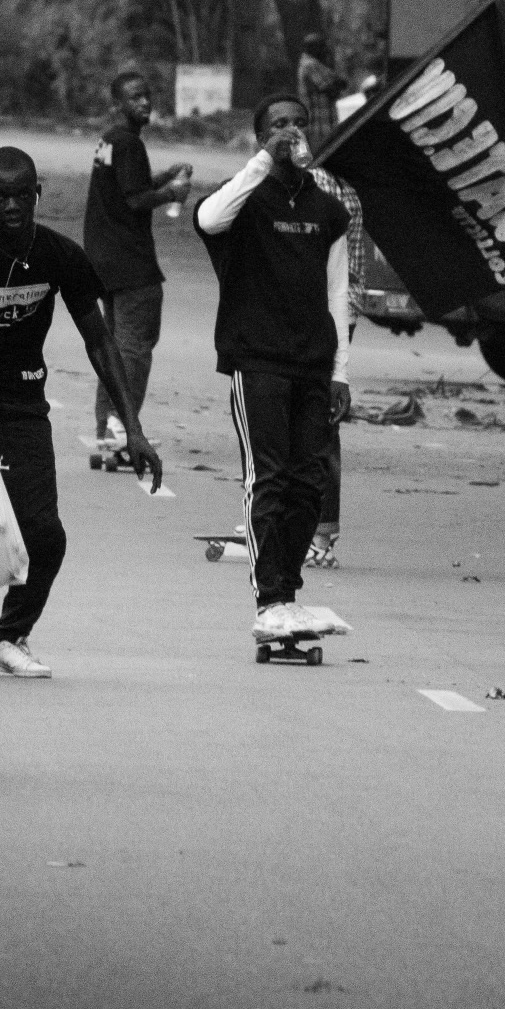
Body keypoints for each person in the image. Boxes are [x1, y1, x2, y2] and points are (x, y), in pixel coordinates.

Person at [0, 148, 164, 677]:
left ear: (37, 193)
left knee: (44, 532)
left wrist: (133, 428)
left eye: (19, 194)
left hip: (25, 404)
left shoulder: (60, 255)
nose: (9, 205)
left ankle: (12, 637)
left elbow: (99, 341)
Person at [194, 93, 350, 642]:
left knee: (310, 484)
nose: (291, 132)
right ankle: (269, 600)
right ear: (261, 137)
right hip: (257, 359)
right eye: (278, 124)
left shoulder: (327, 209)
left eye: (299, 124)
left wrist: (341, 373)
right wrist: (263, 161)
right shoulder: (243, 199)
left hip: (313, 362)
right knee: (270, 478)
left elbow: (338, 293)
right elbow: (208, 219)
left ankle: (289, 589)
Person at [82, 71, 191, 449]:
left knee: (114, 343)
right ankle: (120, 423)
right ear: (118, 104)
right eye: (134, 97)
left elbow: (132, 185)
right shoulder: (128, 143)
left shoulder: (111, 141)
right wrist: (173, 192)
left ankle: (106, 424)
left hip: (104, 260)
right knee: (134, 346)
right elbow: (135, 199)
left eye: (146, 95)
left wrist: (165, 177)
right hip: (130, 264)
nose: (144, 103)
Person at [298, 33, 368, 568]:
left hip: (326, 315)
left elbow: (340, 277)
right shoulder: (347, 185)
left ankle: (320, 529)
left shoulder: (325, 188)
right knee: (310, 421)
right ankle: (308, 523)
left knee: (318, 423)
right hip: (332, 314)